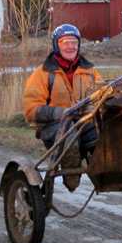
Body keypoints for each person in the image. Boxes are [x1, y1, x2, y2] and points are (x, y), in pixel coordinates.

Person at [23, 24, 101, 191]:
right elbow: (30, 110)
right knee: (69, 133)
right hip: (53, 127)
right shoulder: (42, 74)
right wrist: (60, 113)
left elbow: (100, 97)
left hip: (83, 123)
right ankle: (71, 176)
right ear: (56, 45)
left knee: (105, 134)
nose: (70, 47)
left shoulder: (90, 71)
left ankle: (103, 174)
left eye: (74, 42)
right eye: (65, 42)